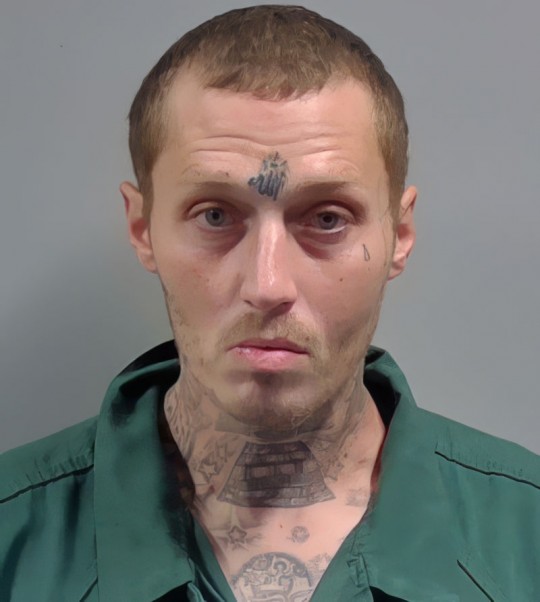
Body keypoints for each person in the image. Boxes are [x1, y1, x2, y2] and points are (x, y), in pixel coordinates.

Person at [1, 5, 538, 601]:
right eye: (214, 215)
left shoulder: (526, 535)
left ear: (400, 235)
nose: (269, 284)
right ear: (142, 228)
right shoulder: (11, 537)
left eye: (327, 218)